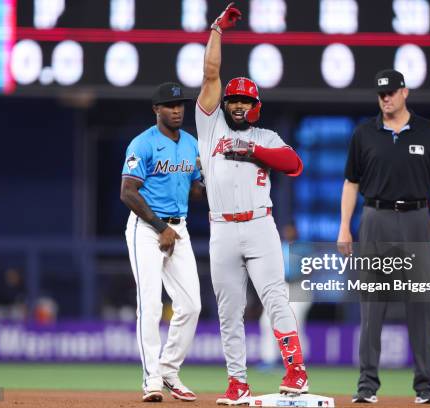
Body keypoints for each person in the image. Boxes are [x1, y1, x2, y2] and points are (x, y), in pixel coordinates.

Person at [196, 3, 308, 405]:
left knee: (276, 298)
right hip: (222, 228)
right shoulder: (210, 127)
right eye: (233, 99)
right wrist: (216, 31)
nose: (239, 105)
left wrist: (253, 149)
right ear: (225, 104)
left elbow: (295, 165)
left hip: (260, 226)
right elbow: (211, 74)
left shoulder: (267, 137)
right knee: (229, 311)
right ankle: (237, 381)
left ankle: (296, 371)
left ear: (255, 105)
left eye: (246, 100)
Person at [337, 69, 430, 405]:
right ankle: (367, 387)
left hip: (418, 219)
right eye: (380, 94)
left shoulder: (429, 132)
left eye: (390, 92)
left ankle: (426, 389)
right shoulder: (364, 133)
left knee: (419, 306)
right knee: (372, 307)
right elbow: (351, 183)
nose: (385, 98)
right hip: (375, 218)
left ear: (405, 93)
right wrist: (344, 226)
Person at [121, 82, 202, 403]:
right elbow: (128, 191)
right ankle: (152, 380)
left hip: (178, 228)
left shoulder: (191, 144)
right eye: (170, 105)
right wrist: (159, 228)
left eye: (181, 104)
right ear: (156, 110)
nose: (177, 110)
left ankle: (168, 368)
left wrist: (209, 178)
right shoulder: (143, 143)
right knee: (151, 305)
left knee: (192, 305)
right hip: (146, 228)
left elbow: (195, 190)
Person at [257, 224, 312, 371]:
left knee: (295, 323)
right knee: (266, 322)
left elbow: (309, 270)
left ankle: (297, 362)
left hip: (298, 286)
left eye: (291, 230)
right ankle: (268, 359)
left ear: (296, 231)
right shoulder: (278, 247)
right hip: (280, 286)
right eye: (286, 230)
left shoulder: (304, 248)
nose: (289, 232)